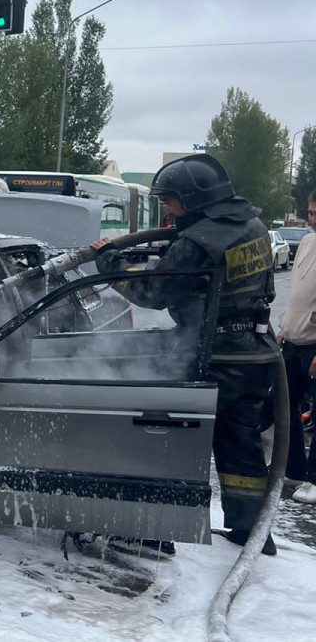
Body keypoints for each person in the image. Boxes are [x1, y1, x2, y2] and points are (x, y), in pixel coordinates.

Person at [91, 153, 279, 556]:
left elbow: (151, 293)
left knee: (161, 434)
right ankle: (253, 531)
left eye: (170, 201)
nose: (167, 209)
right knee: (239, 443)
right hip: (253, 355)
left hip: (210, 357)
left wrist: (112, 265)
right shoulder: (251, 225)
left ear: (193, 199)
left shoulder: (198, 241)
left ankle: (151, 531)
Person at [278, 189, 316, 504]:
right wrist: (285, 327)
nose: (313, 220)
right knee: (286, 408)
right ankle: (293, 469)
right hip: (293, 340)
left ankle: (314, 479)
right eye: (311, 213)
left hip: (315, 346)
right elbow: (298, 292)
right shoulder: (306, 242)